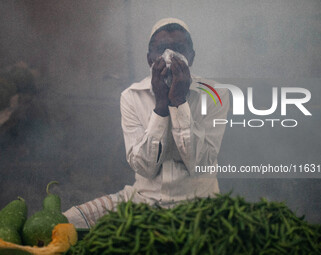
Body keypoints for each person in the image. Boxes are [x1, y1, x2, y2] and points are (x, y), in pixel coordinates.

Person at [63, 18, 229, 228]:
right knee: (68, 222)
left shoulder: (215, 95)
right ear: (149, 58)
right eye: (161, 50)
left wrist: (179, 102)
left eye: (179, 49)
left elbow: (199, 164)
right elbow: (144, 167)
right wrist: (160, 106)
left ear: (192, 57)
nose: (170, 57)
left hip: (200, 204)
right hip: (144, 202)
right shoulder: (131, 97)